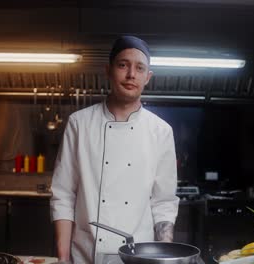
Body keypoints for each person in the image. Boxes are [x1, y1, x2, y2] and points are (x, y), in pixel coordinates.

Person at [50, 35, 179, 264]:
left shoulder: (161, 132)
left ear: (147, 77)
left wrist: (164, 257)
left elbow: (164, 202)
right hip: (85, 256)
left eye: (139, 68)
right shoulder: (79, 123)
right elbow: (63, 195)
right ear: (108, 70)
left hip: (140, 258)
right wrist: (63, 258)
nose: (131, 74)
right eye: (123, 65)